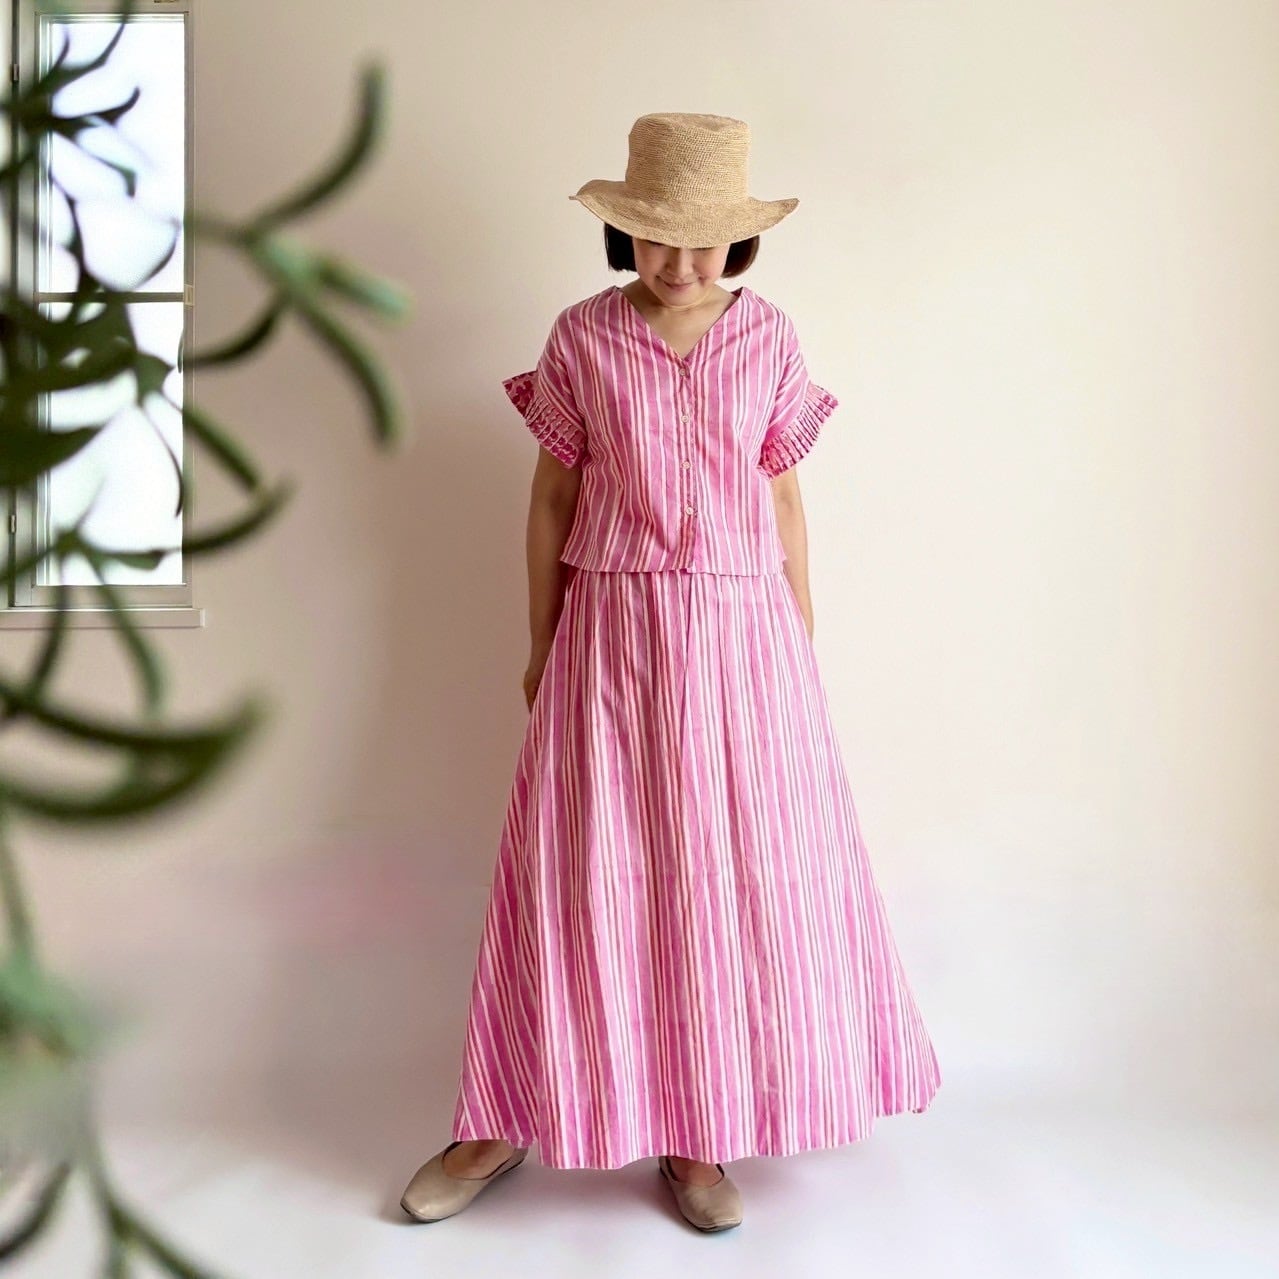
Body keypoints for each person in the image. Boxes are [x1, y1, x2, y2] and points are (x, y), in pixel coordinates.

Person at [400, 112, 941, 1234]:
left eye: (702, 241)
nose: (680, 263)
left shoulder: (771, 337)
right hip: (610, 631)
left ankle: (699, 1133)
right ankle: (504, 1116)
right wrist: (541, 640)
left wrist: (798, 641)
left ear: (736, 241)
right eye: (657, 236)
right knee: (579, 866)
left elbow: (781, 493)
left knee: (723, 877)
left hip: (744, 639)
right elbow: (552, 495)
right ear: (624, 232)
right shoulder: (581, 337)